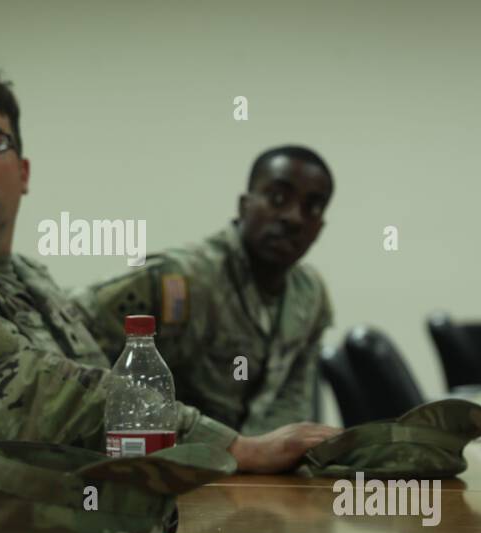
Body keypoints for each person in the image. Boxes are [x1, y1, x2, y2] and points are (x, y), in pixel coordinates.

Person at [0, 61, 338, 480]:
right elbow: (39, 397)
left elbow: (93, 378)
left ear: (23, 173)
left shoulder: (28, 277)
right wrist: (230, 446)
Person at [78, 146, 334, 433]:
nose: (293, 218)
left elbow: (291, 401)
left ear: (320, 226)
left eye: (312, 207)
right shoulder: (179, 279)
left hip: (246, 465)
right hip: (164, 456)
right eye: (277, 198)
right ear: (244, 204)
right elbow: (70, 333)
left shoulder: (309, 295)